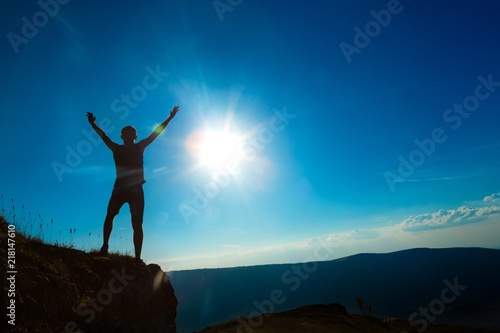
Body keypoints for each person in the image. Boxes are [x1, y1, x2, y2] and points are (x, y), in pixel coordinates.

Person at [87, 105, 180, 262]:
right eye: (126, 133)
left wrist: (170, 118)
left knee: (133, 223)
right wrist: (92, 124)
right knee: (113, 217)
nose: (129, 135)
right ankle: (107, 248)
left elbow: (156, 133)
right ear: (123, 136)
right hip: (124, 189)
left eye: (130, 133)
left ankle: (135, 257)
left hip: (130, 189)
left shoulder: (134, 147)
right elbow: (103, 136)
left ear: (133, 136)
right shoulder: (126, 147)